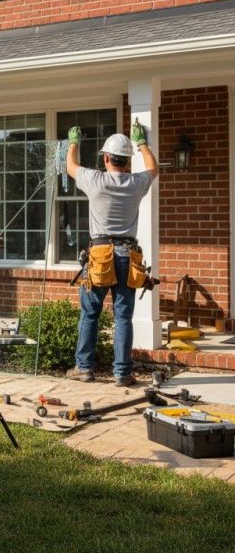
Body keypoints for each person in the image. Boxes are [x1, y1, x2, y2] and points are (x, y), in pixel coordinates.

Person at [65, 122, 159, 386]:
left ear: (106, 158)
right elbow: (153, 169)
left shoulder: (95, 180)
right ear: (128, 161)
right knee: (123, 317)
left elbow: (71, 167)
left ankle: (84, 368)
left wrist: (74, 142)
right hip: (128, 256)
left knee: (90, 314)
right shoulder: (136, 183)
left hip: (100, 255)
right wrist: (142, 143)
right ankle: (122, 373)